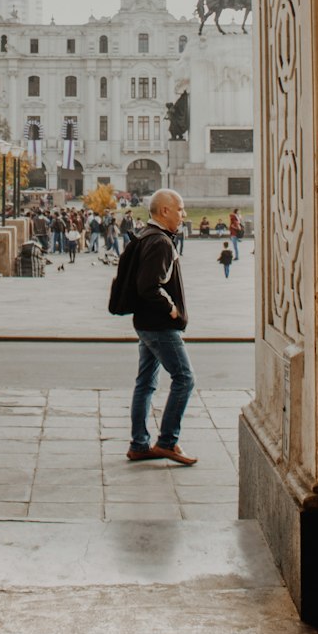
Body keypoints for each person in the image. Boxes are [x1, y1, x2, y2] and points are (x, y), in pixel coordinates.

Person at [126, 188, 197, 466]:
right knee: (185, 378)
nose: (184, 214)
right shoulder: (161, 242)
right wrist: (171, 308)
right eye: (180, 209)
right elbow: (148, 286)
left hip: (145, 323)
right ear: (165, 211)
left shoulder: (147, 235)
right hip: (159, 326)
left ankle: (139, 444)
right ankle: (167, 441)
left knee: (145, 383)